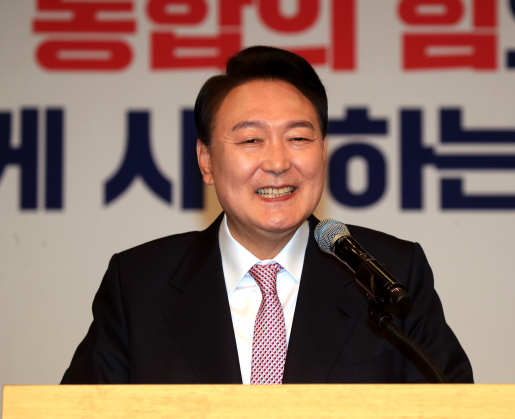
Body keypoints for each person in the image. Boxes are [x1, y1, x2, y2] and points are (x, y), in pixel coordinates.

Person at [61, 46, 473, 384]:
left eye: (298, 138)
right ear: (206, 160)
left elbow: (457, 408)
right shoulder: (138, 284)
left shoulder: (391, 274)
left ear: (324, 152)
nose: (277, 162)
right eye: (252, 139)